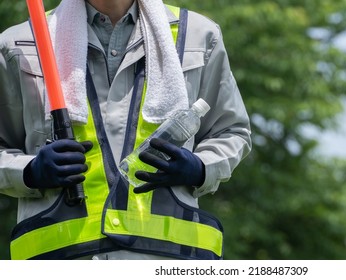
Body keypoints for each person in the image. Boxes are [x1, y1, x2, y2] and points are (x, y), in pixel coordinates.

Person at [0, 0, 251, 260]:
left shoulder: (199, 36)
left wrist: (200, 168)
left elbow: (231, 131)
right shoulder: (19, 44)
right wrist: (29, 172)